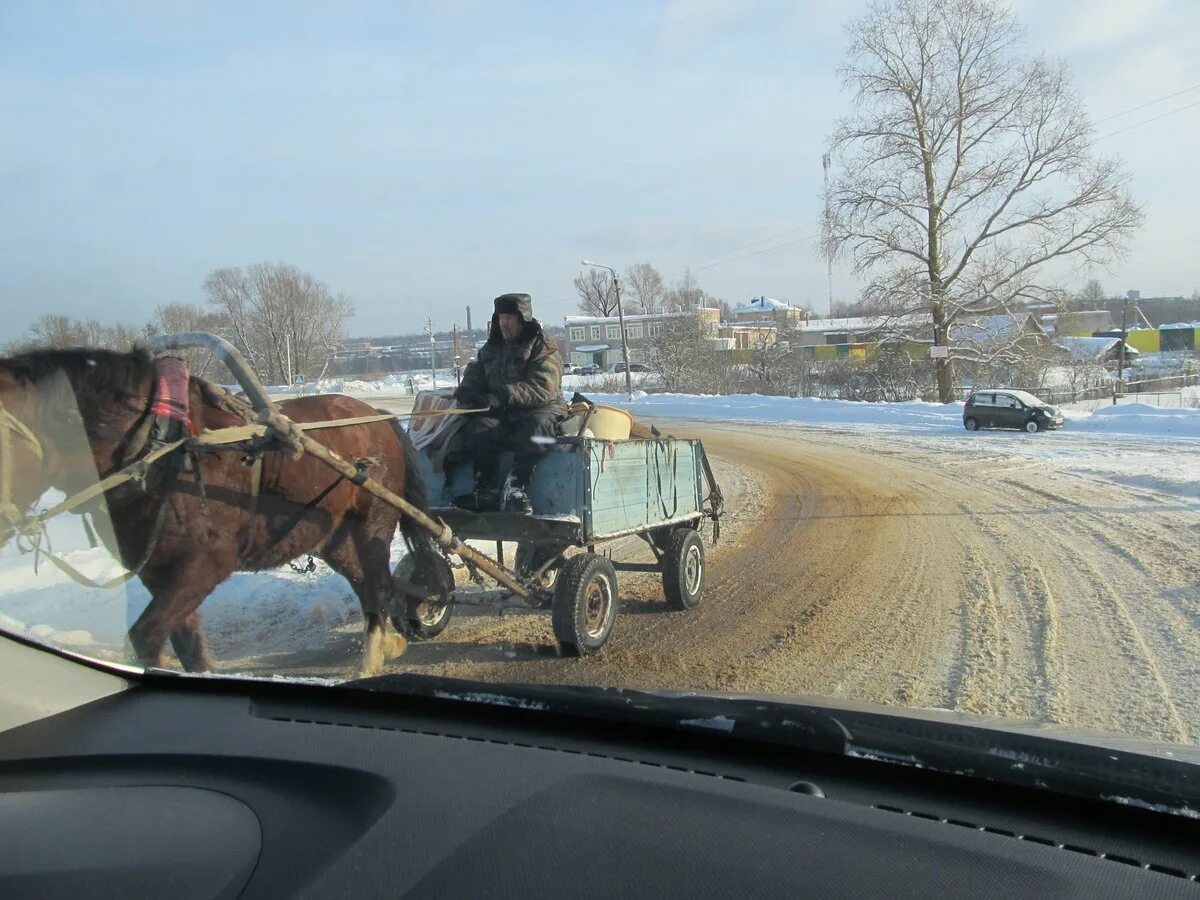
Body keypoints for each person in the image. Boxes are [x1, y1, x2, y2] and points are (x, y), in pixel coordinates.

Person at [447, 293, 568, 513]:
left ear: (523, 318)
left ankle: (516, 488)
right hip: (504, 413)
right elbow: (476, 371)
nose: (503, 323)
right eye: (500, 317)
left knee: (535, 427)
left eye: (509, 318)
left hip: (542, 409)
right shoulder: (493, 346)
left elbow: (543, 386)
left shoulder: (543, 346)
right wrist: (468, 391)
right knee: (479, 427)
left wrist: (502, 396)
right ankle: (485, 490)